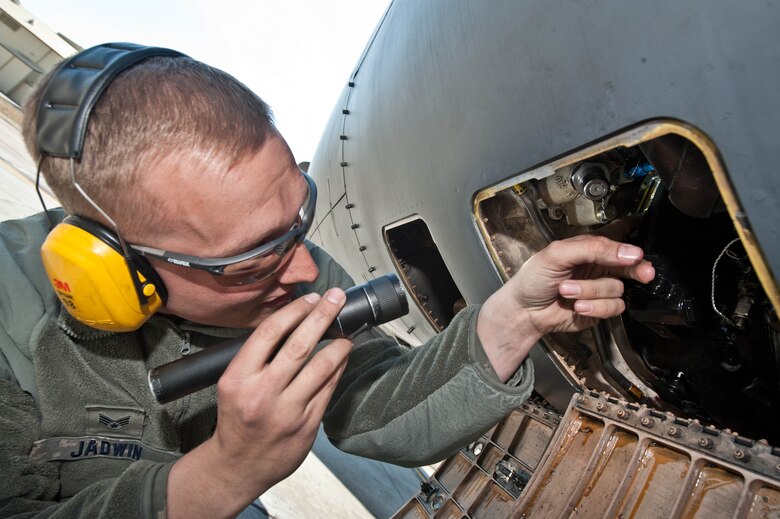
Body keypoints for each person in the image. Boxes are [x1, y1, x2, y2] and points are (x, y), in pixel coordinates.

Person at [0, 44, 654, 518]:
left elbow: (374, 410)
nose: (308, 271)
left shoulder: (287, 261)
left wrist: (512, 317)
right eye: (254, 257)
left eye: (298, 216)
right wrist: (224, 473)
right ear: (119, 269)